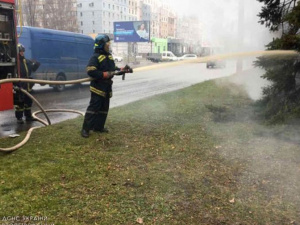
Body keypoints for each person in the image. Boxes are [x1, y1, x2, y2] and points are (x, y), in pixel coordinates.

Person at [81, 34, 132, 138]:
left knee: (104, 109)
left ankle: (99, 127)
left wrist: (122, 70)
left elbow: (113, 70)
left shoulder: (108, 56)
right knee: (93, 109)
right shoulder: (95, 57)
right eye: (107, 44)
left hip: (107, 88)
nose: (108, 46)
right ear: (101, 45)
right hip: (98, 88)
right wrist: (103, 74)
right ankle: (85, 129)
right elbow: (90, 70)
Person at [14, 43, 40, 124]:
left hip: (28, 84)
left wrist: (36, 64)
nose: (22, 52)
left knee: (28, 102)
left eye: (23, 51)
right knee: (19, 103)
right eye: (20, 51)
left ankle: (28, 116)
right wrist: (15, 85)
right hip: (19, 85)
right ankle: (19, 118)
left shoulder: (26, 61)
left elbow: (32, 69)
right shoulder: (15, 62)